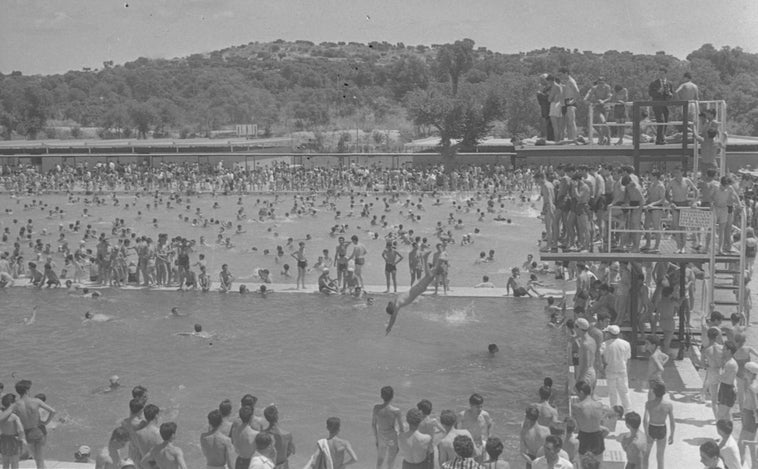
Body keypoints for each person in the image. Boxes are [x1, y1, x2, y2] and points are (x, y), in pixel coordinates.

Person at [385, 251, 439, 334]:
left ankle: (425, 258)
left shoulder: (397, 305)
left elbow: (393, 318)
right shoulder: (395, 302)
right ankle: (436, 260)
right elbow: (392, 316)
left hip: (417, 290)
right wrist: (389, 325)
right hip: (415, 290)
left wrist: (389, 327)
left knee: (430, 276)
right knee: (431, 275)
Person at [12, 380, 55, 469]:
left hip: (27, 433)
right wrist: (45, 422)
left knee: (36, 458)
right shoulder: (36, 401)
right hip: (38, 431)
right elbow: (53, 411)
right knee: (40, 459)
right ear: (27, 390)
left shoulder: (15, 405)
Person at [643, 381, 674, 469]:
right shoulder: (668, 405)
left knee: (646, 455)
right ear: (664, 392)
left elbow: (645, 420)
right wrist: (672, 434)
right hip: (662, 428)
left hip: (651, 427)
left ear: (654, 392)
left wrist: (646, 433)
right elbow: (672, 422)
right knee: (660, 457)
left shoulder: (648, 404)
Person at [601, 325, 631, 413]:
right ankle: (628, 411)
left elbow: (599, 355)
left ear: (609, 334)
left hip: (610, 371)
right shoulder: (626, 344)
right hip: (622, 370)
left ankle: (614, 411)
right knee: (624, 392)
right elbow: (627, 358)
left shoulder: (604, 344)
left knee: (612, 392)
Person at [372, 386, 403, 469]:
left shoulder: (376, 408)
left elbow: (373, 425)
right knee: (391, 461)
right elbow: (401, 428)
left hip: (381, 436)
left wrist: (376, 439)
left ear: (381, 396)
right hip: (392, 437)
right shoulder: (396, 411)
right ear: (392, 396)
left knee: (380, 460)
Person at [647, 67, 674, 145]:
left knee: (665, 121)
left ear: (665, 74)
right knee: (660, 121)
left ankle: (661, 138)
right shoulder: (653, 83)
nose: (660, 75)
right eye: (659, 73)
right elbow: (650, 93)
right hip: (657, 105)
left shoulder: (669, 83)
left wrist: (669, 93)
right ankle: (660, 140)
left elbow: (672, 95)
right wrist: (658, 91)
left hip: (666, 105)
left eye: (662, 73)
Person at [0, 394, 27, 469]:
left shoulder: (1, 415)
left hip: (3, 439)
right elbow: (21, 430)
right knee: (14, 462)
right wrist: (20, 439)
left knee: (5, 462)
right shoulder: (14, 417)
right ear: (11, 404)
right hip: (13, 440)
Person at [135, 404, 162, 469]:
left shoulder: (138, 433)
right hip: (158, 465)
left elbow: (138, 451)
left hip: (145, 465)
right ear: (156, 415)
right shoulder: (159, 433)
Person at [558, 67, 580, 144]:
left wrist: (573, 101)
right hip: (564, 102)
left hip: (570, 102)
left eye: (561, 74)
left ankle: (574, 139)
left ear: (566, 73)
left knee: (571, 121)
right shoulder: (564, 81)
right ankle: (570, 140)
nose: (559, 76)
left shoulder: (571, 81)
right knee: (567, 123)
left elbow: (577, 92)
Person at [717, 340, 738, 421]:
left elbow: (720, 377)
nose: (722, 350)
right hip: (726, 387)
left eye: (724, 349)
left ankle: (722, 431)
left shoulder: (730, 364)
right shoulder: (729, 362)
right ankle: (728, 431)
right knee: (727, 414)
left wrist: (718, 367)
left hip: (727, 390)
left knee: (720, 414)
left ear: (729, 351)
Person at [574, 319, 597, 391]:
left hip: (586, 375)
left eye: (575, 327)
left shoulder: (585, 344)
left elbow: (586, 364)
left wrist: (579, 379)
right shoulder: (592, 340)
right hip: (592, 372)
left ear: (578, 328)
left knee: (584, 400)